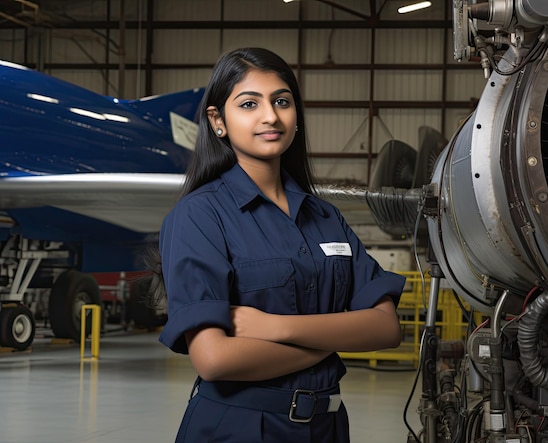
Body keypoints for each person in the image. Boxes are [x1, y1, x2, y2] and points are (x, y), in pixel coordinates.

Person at [157, 47, 406, 443]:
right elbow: (215, 359)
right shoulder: (200, 216)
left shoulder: (326, 218)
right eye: (249, 104)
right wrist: (333, 341)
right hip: (239, 429)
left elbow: (386, 328)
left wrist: (273, 326)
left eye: (282, 101)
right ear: (218, 121)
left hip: (327, 427)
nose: (270, 116)